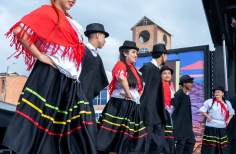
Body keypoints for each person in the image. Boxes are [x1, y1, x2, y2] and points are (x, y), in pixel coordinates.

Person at [3, 1, 108, 153]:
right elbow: (19, 30)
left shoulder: (68, 19)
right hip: (51, 75)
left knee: (73, 131)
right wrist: (39, 55)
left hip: (70, 82)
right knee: (40, 129)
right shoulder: (48, 12)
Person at [97, 40, 148, 154]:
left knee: (124, 139)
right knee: (115, 138)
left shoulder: (134, 69)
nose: (136, 55)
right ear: (125, 53)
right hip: (120, 104)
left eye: (136, 53)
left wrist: (135, 95)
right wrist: (128, 93)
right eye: (133, 52)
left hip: (130, 105)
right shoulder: (120, 64)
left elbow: (140, 87)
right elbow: (121, 77)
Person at [139, 43, 167, 154]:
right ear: (163, 55)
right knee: (145, 144)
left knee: (158, 142)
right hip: (147, 113)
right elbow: (140, 90)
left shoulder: (156, 69)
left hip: (157, 114)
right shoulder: (148, 68)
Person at [200, 86, 235, 154]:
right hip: (211, 127)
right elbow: (202, 110)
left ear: (223, 93)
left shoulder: (227, 103)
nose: (216, 93)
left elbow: (232, 113)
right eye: (215, 92)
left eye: (218, 92)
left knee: (221, 145)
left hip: (222, 126)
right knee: (211, 146)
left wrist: (228, 120)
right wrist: (207, 116)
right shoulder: (210, 102)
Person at [171, 75, 196, 154]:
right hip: (180, 125)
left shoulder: (186, 95)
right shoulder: (179, 94)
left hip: (187, 126)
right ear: (184, 83)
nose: (191, 84)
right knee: (181, 144)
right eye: (190, 82)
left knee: (191, 142)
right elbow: (172, 109)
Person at [160, 65, 175, 154]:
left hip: (168, 112)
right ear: (161, 75)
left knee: (168, 136)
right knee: (165, 136)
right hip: (163, 112)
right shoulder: (161, 84)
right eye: (165, 73)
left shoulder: (169, 86)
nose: (167, 75)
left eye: (169, 73)